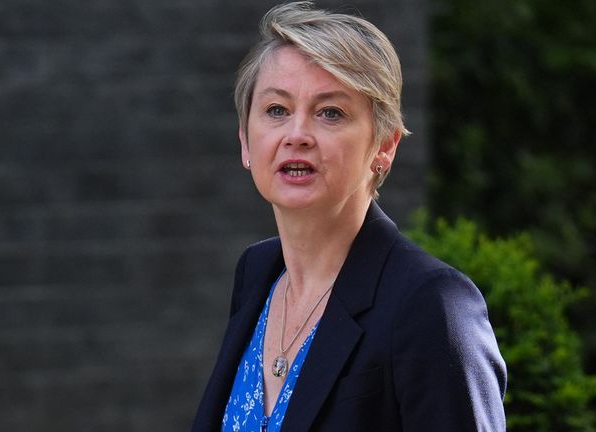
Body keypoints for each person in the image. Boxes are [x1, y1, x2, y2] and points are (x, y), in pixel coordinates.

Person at [192, 2, 506, 431]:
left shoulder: (432, 304)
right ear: (246, 141)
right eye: (277, 110)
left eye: (330, 113)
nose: (297, 135)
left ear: (385, 146)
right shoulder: (256, 274)